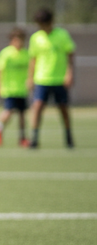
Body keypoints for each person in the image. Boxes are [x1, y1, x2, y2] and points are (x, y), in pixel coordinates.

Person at [27, 8, 76, 149]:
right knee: (37, 107)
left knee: (63, 109)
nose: (42, 28)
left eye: (44, 24)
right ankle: (35, 139)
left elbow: (70, 55)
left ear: (51, 22)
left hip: (59, 79)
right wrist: (30, 78)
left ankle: (68, 137)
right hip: (42, 79)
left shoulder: (62, 35)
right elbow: (33, 59)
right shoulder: (36, 38)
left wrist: (69, 73)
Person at [0, 28, 30, 147]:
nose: (19, 43)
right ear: (12, 40)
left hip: (22, 89)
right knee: (9, 111)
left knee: (22, 114)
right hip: (9, 88)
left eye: (21, 40)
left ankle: (22, 138)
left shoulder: (26, 54)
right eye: (17, 40)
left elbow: (30, 69)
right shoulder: (6, 53)